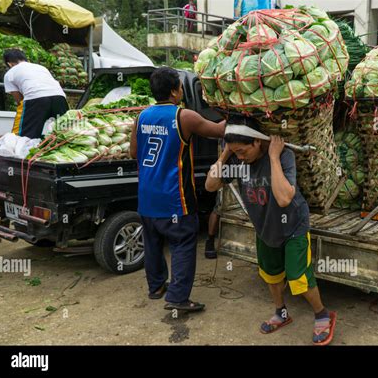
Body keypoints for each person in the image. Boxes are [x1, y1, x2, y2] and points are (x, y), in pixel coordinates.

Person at [205, 116, 336, 345]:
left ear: (257, 142)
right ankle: (281, 313)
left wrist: (274, 157)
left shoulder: (283, 156)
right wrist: (226, 154)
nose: (240, 156)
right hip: (264, 226)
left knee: (298, 277)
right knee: (271, 275)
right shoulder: (237, 161)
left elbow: (285, 198)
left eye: (243, 150)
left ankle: (322, 314)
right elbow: (210, 185)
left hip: (293, 225)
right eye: (235, 152)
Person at [130, 67, 225, 312]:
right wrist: (234, 112)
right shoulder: (184, 116)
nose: (182, 91)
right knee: (183, 243)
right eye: (181, 87)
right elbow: (219, 131)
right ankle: (178, 298)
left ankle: (156, 287)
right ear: (174, 91)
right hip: (175, 198)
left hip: (147, 198)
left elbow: (133, 153)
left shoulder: (140, 117)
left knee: (152, 243)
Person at [3, 49, 68, 139]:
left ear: (9, 63)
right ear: (25, 59)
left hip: (36, 99)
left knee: (27, 137)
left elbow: (19, 101)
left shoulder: (10, 73)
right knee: (67, 131)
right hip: (59, 98)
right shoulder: (41, 67)